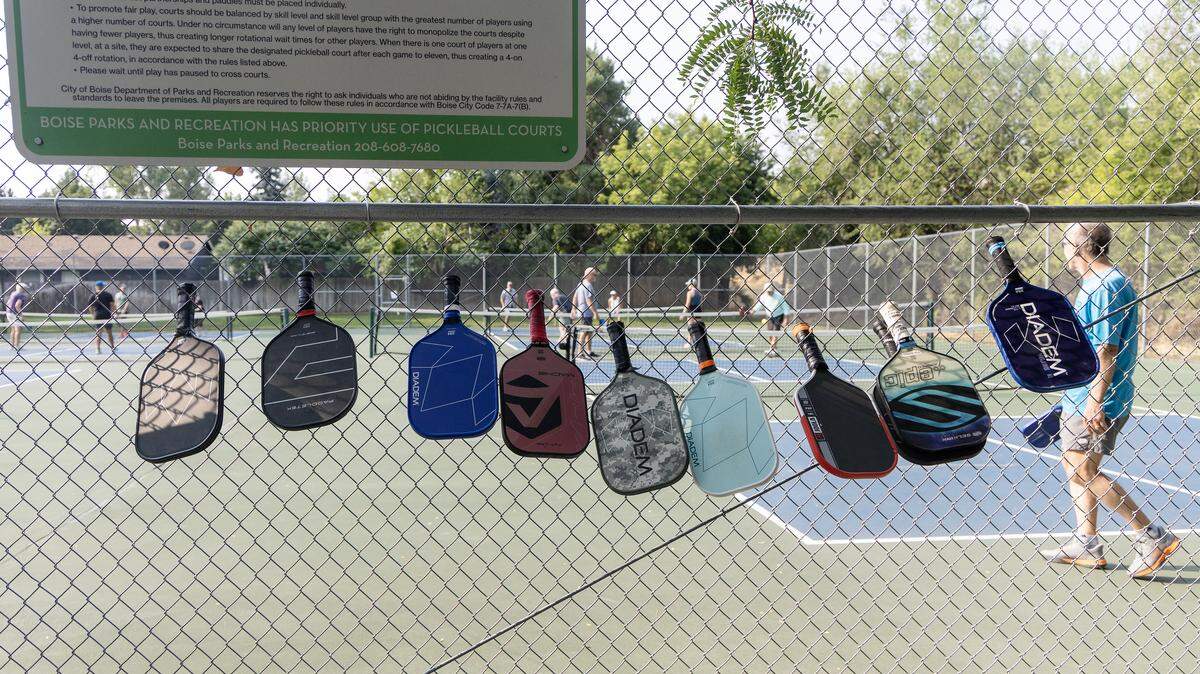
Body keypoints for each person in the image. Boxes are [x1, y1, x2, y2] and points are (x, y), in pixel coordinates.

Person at [1039, 223, 1178, 579]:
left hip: (1097, 396)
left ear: (1080, 247)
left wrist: (1094, 402)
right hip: (1082, 392)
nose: (1064, 252)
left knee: (1084, 471)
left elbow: (1107, 349)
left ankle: (1152, 536)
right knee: (1075, 468)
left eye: (1066, 244)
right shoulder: (1094, 284)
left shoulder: (1105, 286)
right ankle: (1087, 542)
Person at [753, 283, 792, 357]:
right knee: (770, 333)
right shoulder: (763, 297)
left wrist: (786, 319)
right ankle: (774, 348)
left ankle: (772, 349)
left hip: (779, 316)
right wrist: (751, 312)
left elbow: (786, 307)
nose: (770, 292)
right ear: (765, 291)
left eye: (771, 291)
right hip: (769, 316)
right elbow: (758, 306)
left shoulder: (779, 296)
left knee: (775, 332)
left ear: (773, 290)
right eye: (768, 291)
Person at [572, 267, 599, 359]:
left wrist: (573, 308)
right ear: (588, 275)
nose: (595, 277)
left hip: (585, 313)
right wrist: (595, 312)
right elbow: (588, 300)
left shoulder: (581, 284)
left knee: (589, 332)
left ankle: (588, 351)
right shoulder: (587, 285)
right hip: (585, 313)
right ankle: (580, 352)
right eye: (594, 275)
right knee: (584, 332)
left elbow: (575, 296)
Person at [88, 281, 116, 354]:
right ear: (102, 287)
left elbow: (90, 307)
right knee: (109, 332)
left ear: (96, 287)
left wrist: (93, 315)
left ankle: (98, 349)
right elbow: (112, 305)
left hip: (98, 315)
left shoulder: (93, 295)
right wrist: (113, 313)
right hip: (107, 315)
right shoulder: (108, 295)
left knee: (98, 333)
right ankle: (112, 347)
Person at [6, 282, 29, 349]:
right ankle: (17, 346)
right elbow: (17, 305)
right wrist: (21, 315)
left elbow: (8, 303)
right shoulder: (21, 295)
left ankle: (12, 345)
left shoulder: (13, 294)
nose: (26, 290)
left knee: (13, 330)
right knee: (18, 330)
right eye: (25, 289)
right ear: (22, 289)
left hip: (9, 313)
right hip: (15, 314)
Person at [550, 287, 572, 351]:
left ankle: (562, 344)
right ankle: (559, 344)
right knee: (566, 331)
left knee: (563, 331)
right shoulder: (564, 296)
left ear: (552, 294)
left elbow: (556, 307)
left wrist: (549, 317)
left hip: (564, 316)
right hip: (569, 315)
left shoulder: (555, 298)